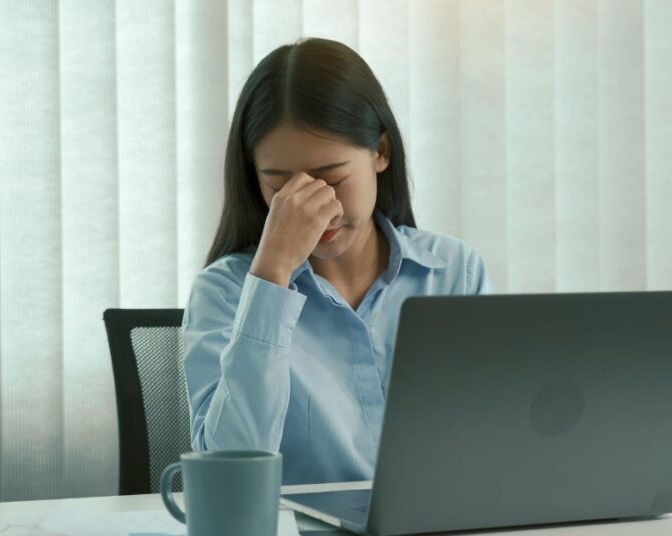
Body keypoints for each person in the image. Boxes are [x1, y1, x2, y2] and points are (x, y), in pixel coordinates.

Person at [182, 37, 493, 485]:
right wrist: (271, 278)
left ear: (380, 152)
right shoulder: (225, 291)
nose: (314, 207)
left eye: (331, 179)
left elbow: (496, 437)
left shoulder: (454, 271)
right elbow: (229, 475)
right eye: (280, 187)